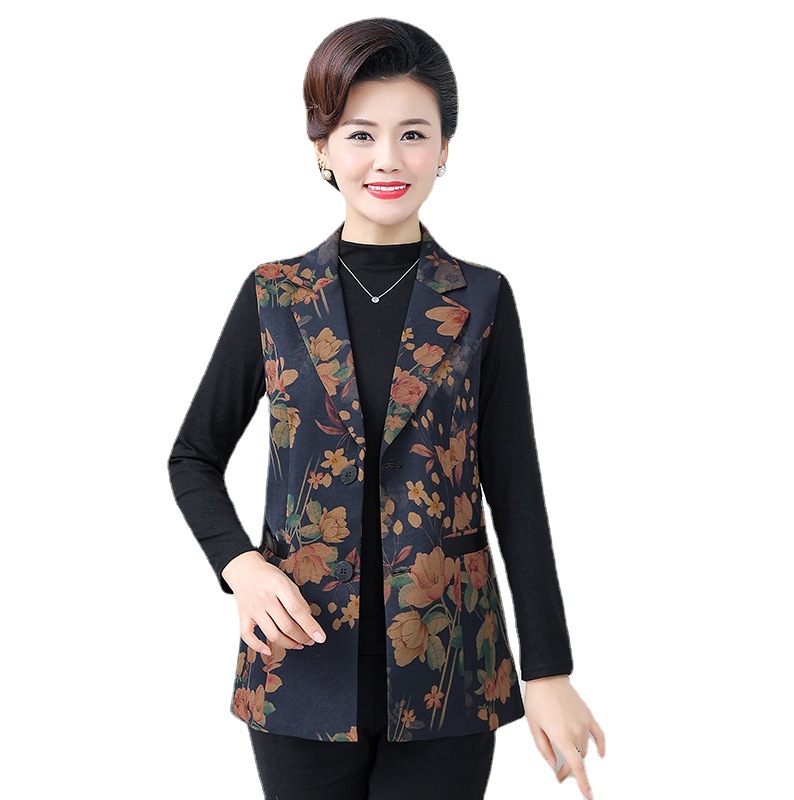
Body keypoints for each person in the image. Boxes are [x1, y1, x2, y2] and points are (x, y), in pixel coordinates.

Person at [168, 16, 605, 800]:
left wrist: (548, 670)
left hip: (450, 667)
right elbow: (192, 457)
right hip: (299, 664)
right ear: (322, 148)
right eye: (361, 135)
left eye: (413, 134)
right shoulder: (276, 295)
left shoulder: (480, 299)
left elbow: (516, 491)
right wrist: (241, 567)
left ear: (444, 148)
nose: (388, 160)